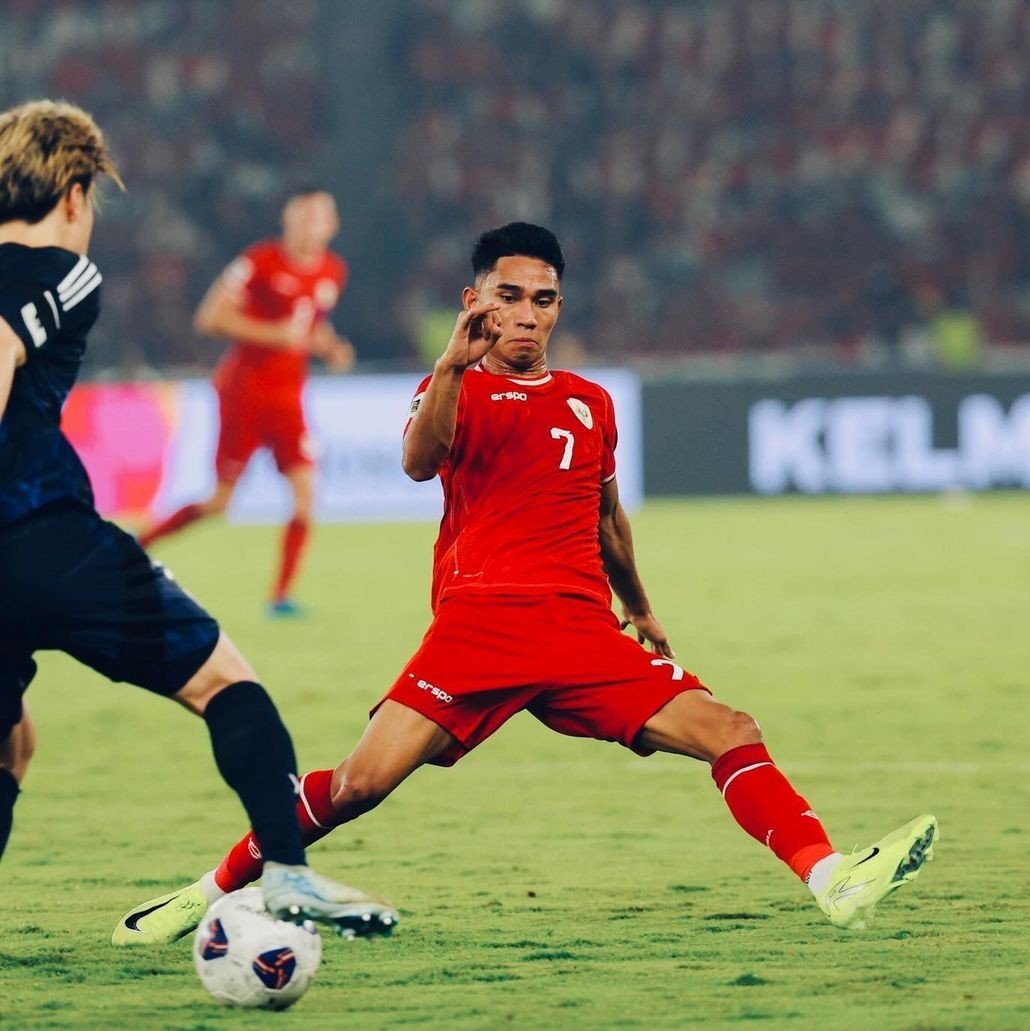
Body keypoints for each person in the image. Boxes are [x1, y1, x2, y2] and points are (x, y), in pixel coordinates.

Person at [113, 221, 937, 946]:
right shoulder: (457, 388)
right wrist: (448, 364)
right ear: (479, 302)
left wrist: (643, 610)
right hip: (479, 630)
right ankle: (207, 893)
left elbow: (607, 518)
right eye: (512, 296)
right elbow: (415, 462)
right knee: (360, 784)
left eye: (545, 299)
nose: (530, 313)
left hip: (583, 633)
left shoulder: (589, 402)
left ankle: (832, 880)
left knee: (730, 728)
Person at [0, 99, 396, 939]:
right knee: (227, 681)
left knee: (11, 748)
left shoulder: (326, 275)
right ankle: (287, 873)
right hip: (45, 539)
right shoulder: (61, 272)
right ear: (74, 193)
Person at [137, 187, 355, 616]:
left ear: (332, 225)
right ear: (287, 221)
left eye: (320, 217)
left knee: (307, 495)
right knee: (220, 501)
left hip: (290, 398)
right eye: (304, 215)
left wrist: (329, 347)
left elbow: (308, 326)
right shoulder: (258, 262)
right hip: (244, 393)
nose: (312, 224)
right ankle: (137, 544)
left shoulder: (333, 270)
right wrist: (276, 335)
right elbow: (210, 318)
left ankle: (280, 597)